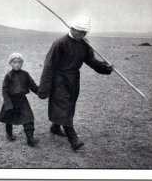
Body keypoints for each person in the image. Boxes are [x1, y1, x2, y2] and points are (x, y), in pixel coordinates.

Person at [38, 15, 113, 152]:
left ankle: (55, 127)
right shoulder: (59, 43)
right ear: (73, 28)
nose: (83, 34)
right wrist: (44, 87)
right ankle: (73, 139)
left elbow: (91, 60)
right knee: (64, 105)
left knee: (69, 104)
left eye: (85, 32)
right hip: (59, 79)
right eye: (81, 31)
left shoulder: (85, 44)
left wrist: (104, 67)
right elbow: (49, 66)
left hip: (73, 79)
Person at [0, 53, 39, 147]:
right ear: (10, 63)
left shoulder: (25, 74)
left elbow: (33, 86)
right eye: (14, 62)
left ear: (22, 63)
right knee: (9, 119)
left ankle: (30, 138)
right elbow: (5, 90)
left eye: (19, 62)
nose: (17, 64)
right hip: (11, 100)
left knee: (28, 118)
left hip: (22, 100)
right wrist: (8, 103)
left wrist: (40, 92)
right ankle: (9, 134)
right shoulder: (8, 76)